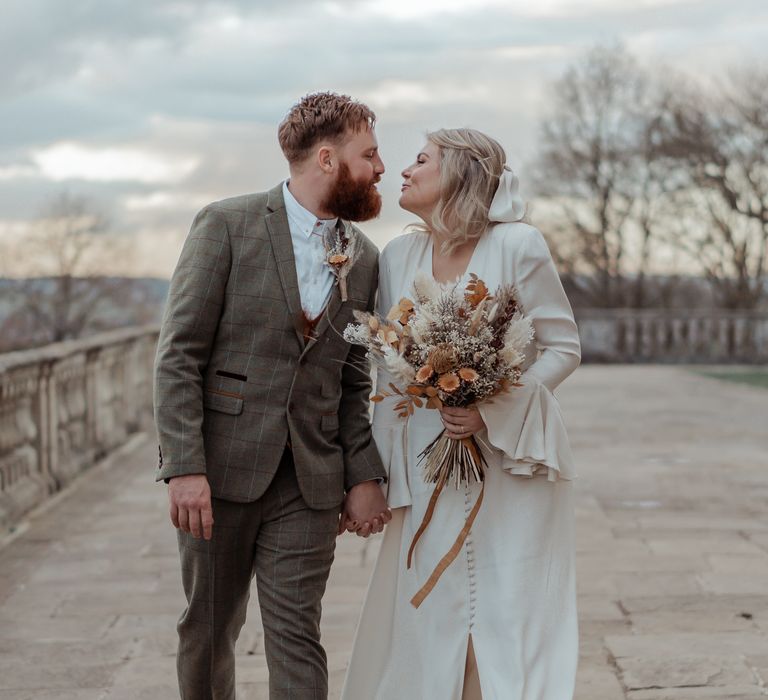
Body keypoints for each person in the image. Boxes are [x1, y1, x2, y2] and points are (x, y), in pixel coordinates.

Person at [154, 91, 392, 700]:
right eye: (369, 155)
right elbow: (179, 354)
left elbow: (352, 380)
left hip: (310, 482)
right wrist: (185, 467)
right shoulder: (227, 224)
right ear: (327, 158)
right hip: (221, 472)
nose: (382, 168)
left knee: (297, 635)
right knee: (208, 629)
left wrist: (364, 473)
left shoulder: (363, 262)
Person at [342, 128, 581, 700]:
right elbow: (384, 368)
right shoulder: (398, 255)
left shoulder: (519, 245)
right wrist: (375, 476)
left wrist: (492, 408)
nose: (404, 170)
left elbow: (563, 348)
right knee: (431, 604)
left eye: (421, 160)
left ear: (460, 174)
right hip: (425, 459)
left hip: (510, 455)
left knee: (507, 604)